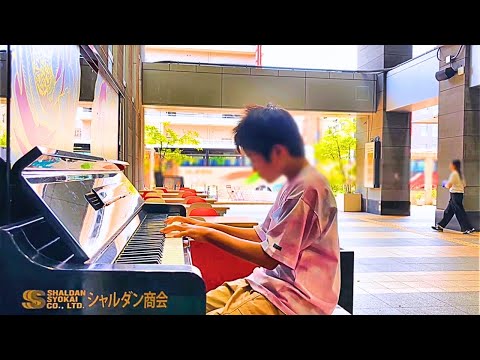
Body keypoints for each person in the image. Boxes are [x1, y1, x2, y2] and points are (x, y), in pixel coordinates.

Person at [161, 104, 341, 315]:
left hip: (296, 300)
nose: (254, 168)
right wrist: (204, 225)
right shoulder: (294, 182)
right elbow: (261, 235)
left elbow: (269, 257)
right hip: (269, 285)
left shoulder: (306, 187)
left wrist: (208, 234)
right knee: (179, 307)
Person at [432, 159, 476, 234]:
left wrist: (444, 184)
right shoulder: (460, 174)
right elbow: (464, 185)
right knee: (448, 211)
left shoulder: (454, 174)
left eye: (451, 164)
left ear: (454, 166)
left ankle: (468, 228)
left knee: (459, 212)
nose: (450, 166)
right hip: (458, 194)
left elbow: (449, 185)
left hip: (455, 194)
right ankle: (441, 225)